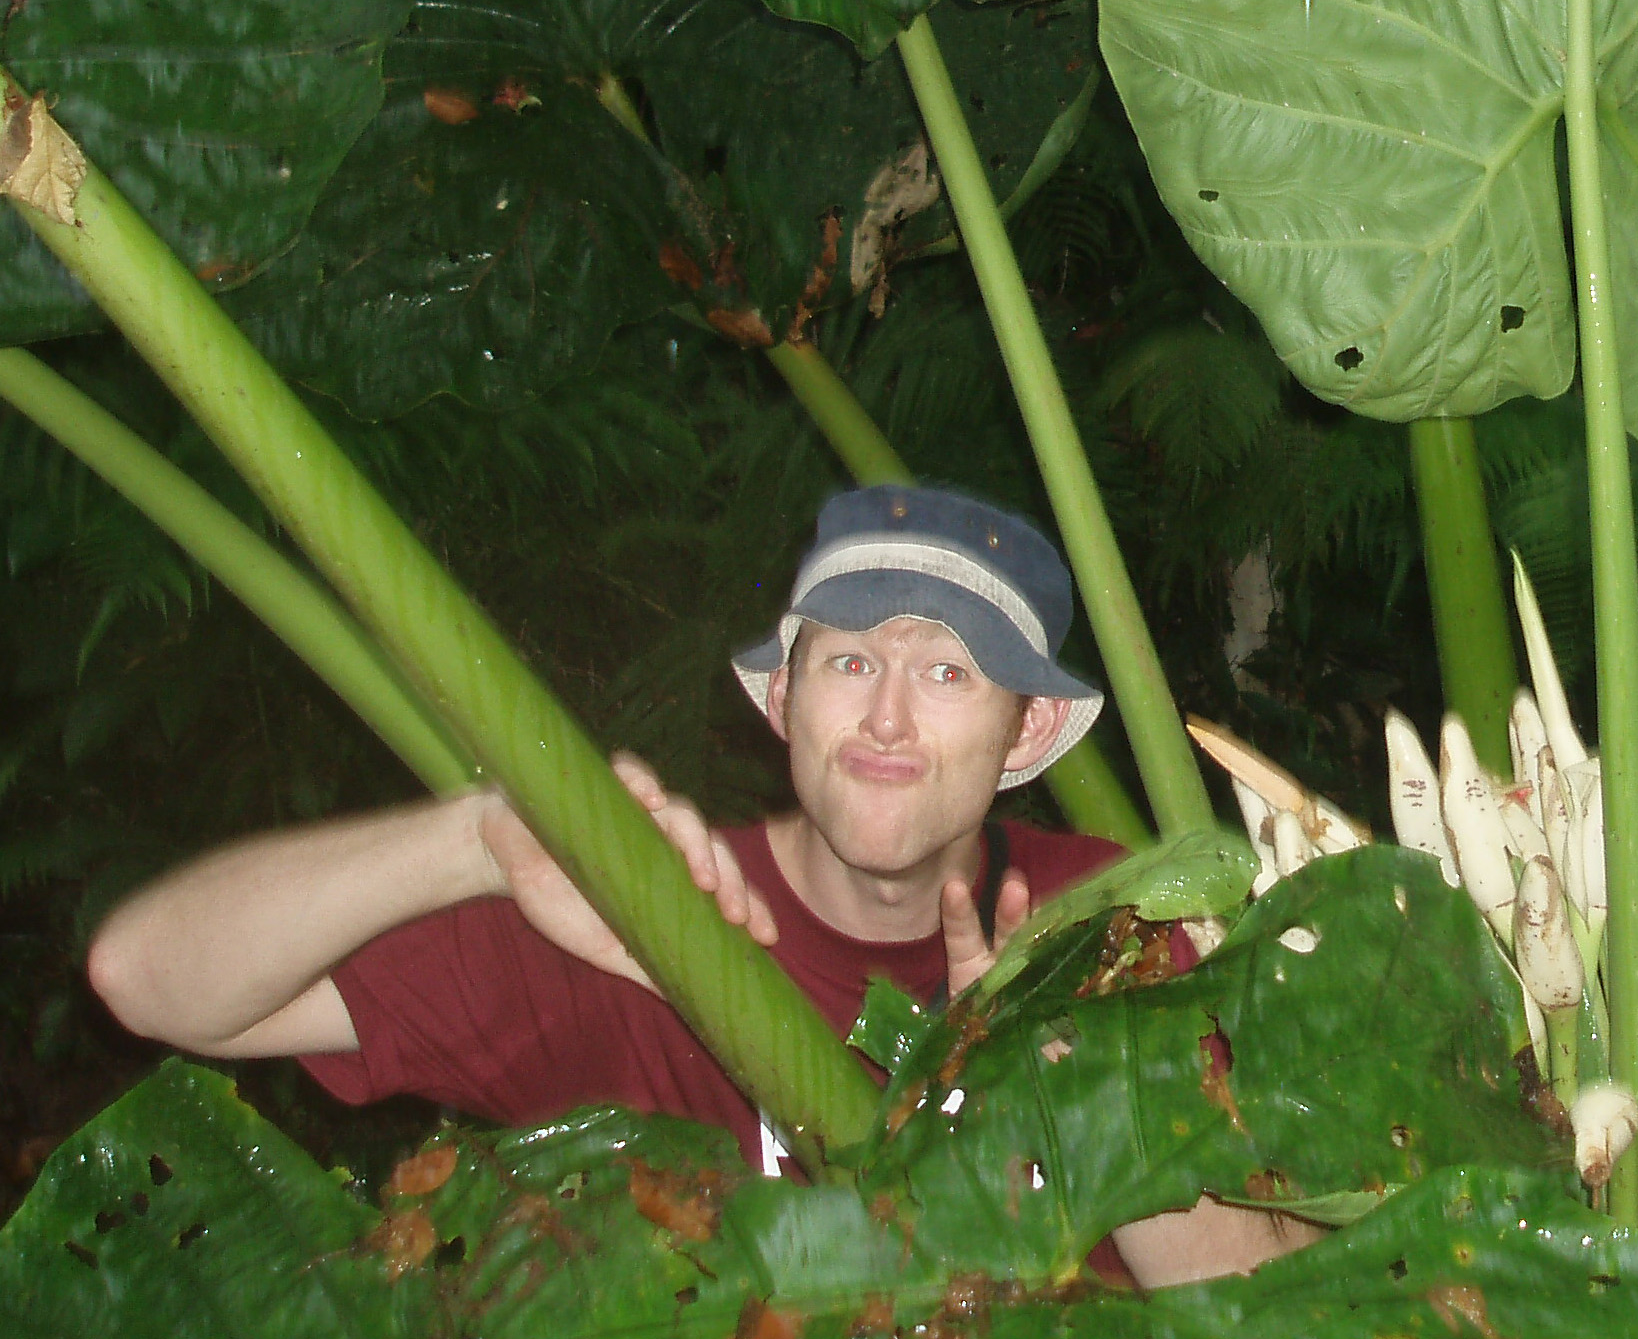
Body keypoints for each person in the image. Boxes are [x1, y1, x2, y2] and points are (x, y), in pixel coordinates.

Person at [87, 485, 1313, 1286]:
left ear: (1029, 729)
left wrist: (1084, 1093)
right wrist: (476, 837)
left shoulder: (1115, 929)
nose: (886, 718)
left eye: (948, 672)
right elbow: (146, 978)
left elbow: (1297, 1298)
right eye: (848, 661)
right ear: (782, 698)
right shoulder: (640, 912)